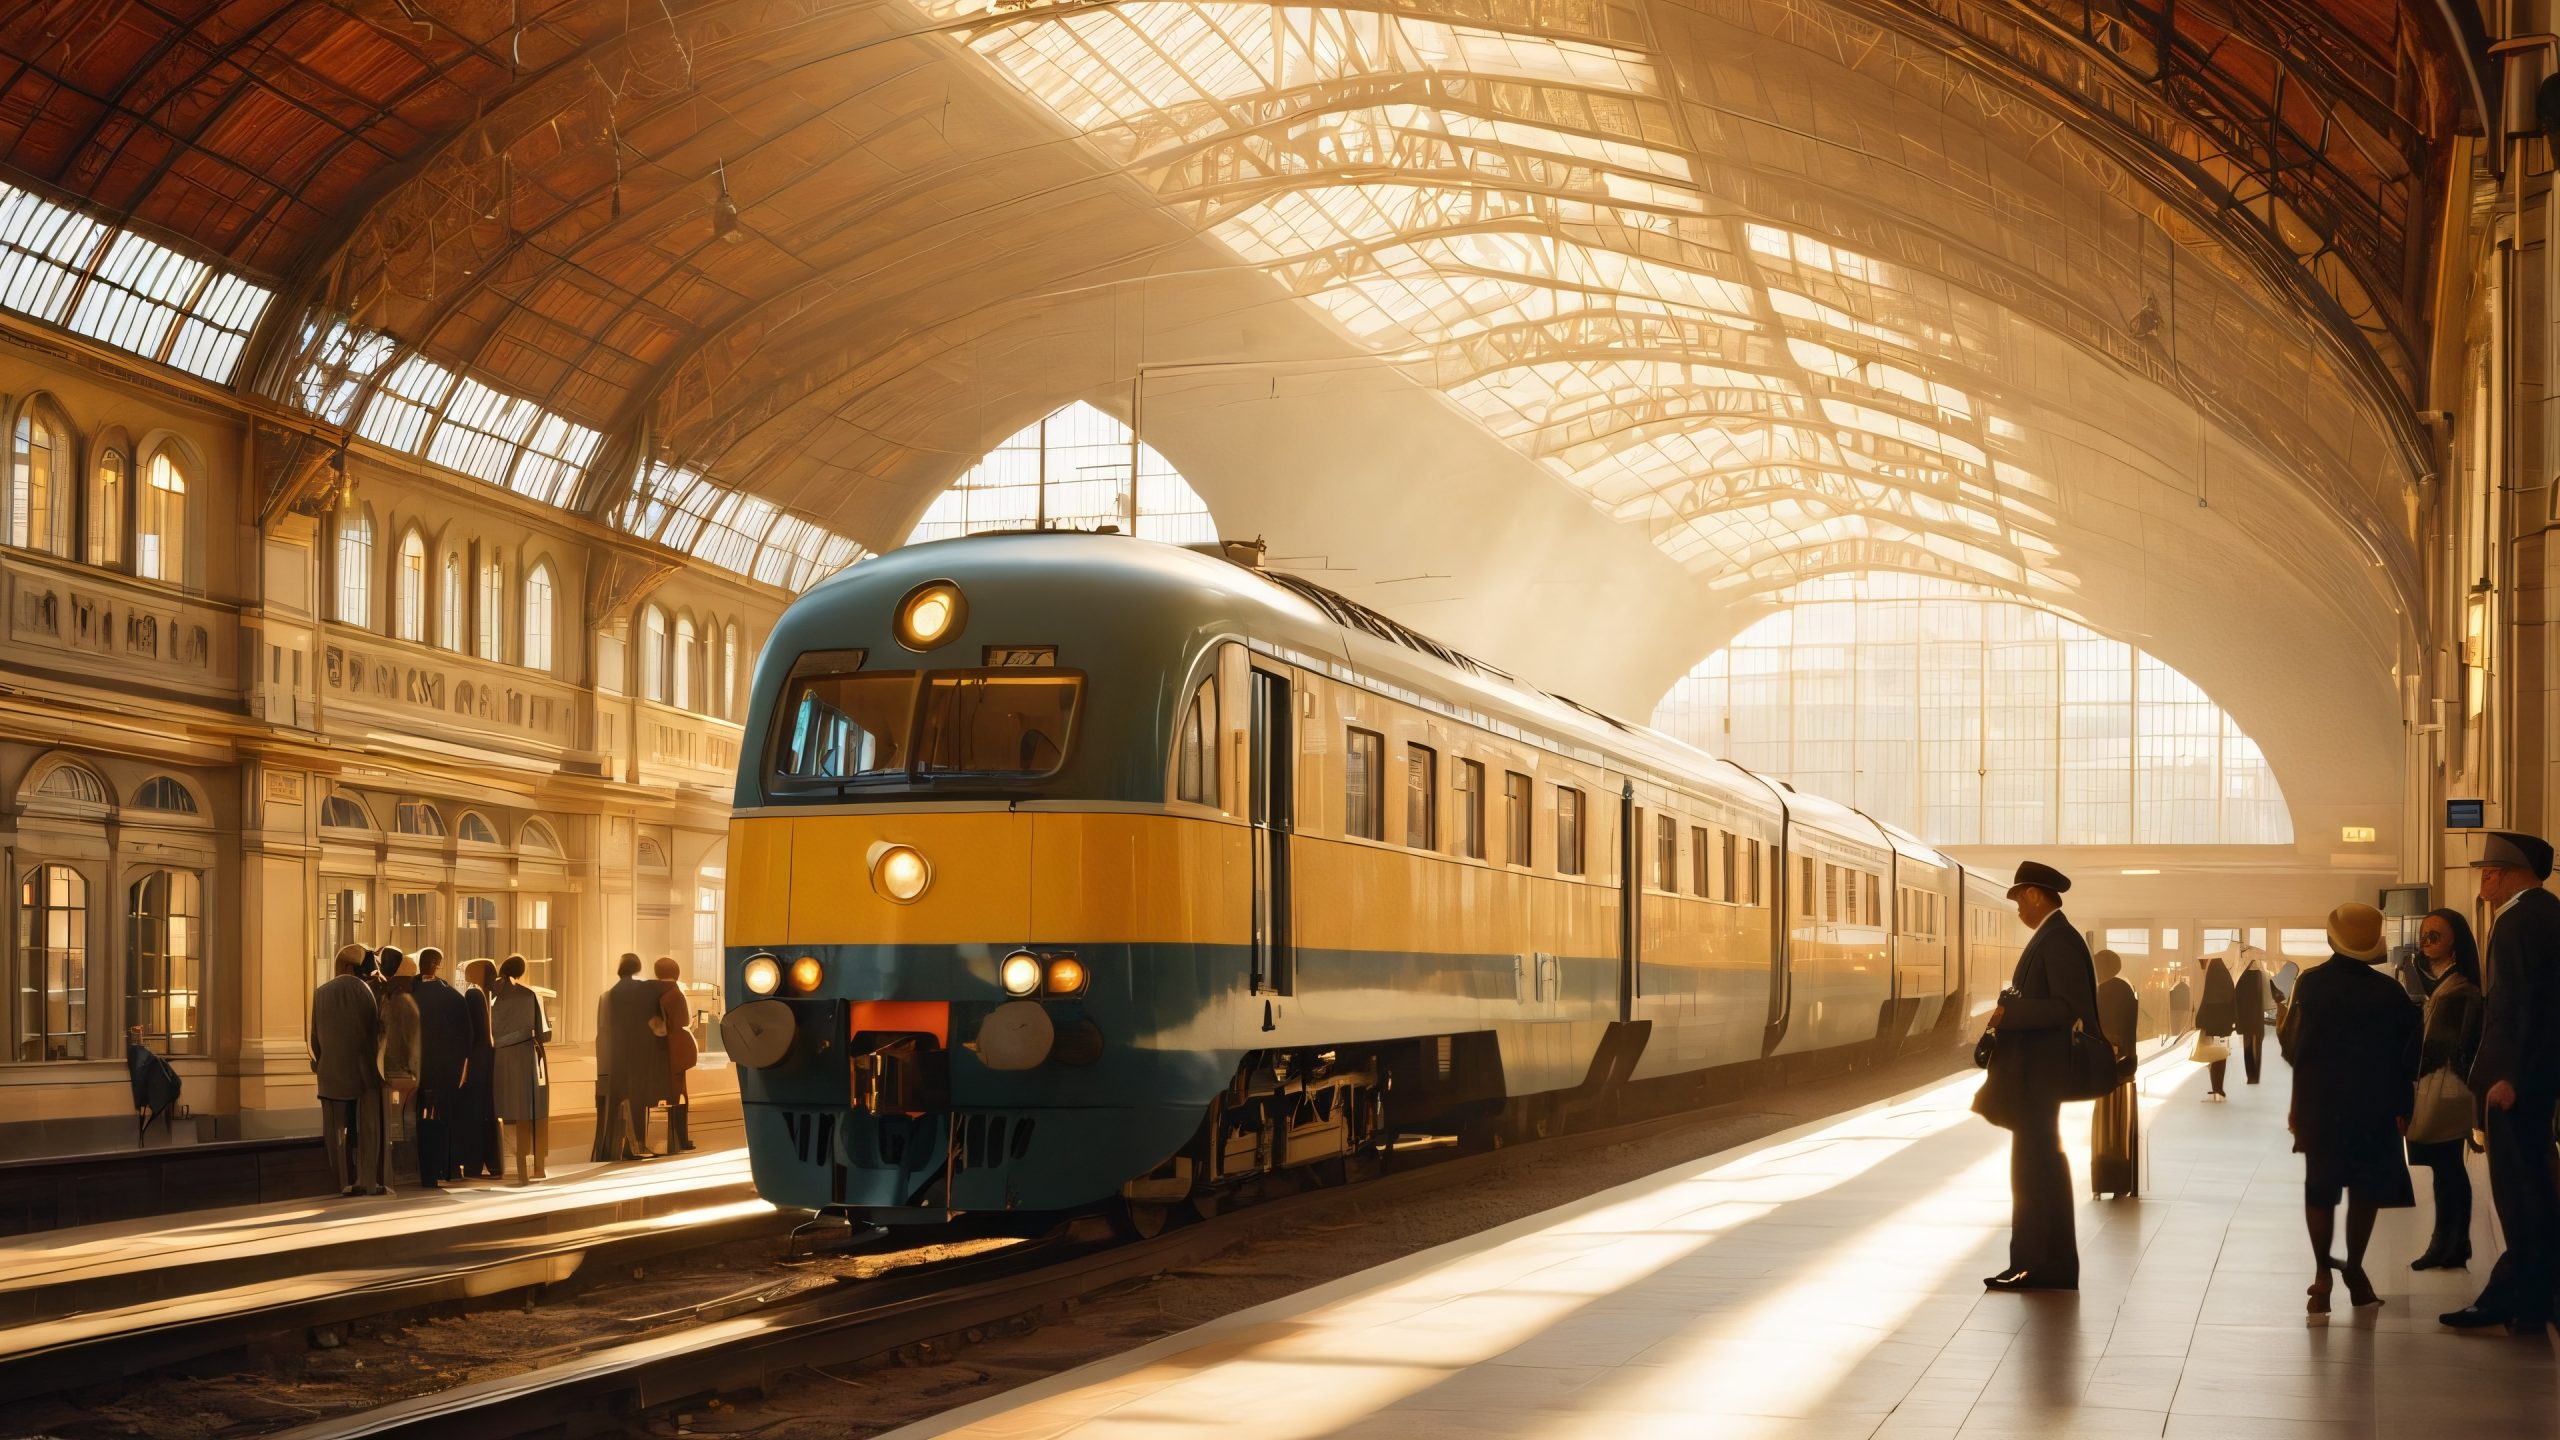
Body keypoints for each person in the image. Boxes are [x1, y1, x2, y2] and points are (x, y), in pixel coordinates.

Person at [2278, 902, 2418, 1317]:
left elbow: (2292, 1049)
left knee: (2320, 1189)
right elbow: (2408, 1056)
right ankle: (2355, 1270)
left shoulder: (2311, 985)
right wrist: (2403, 1106)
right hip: (2375, 1106)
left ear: (2330, 938)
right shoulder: (2390, 992)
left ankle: (2322, 1275)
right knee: (2364, 1190)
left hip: (2321, 1103)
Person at [2445, 831, 2560, 1334]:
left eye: (2490, 871)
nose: (2483, 879)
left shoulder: (2519, 920)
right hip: (2532, 1078)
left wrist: (2511, 1076)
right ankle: (2526, 1295)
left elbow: (2526, 1010)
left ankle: (2520, 1298)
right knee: (2532, 1191)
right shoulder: (2544, 913)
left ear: (2514, 873)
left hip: (2515, 1084)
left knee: (2520, 1196)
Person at [1980, 860, 2099, 1292]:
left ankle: (2038, 1264)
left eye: (2018, 900)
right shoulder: (2053, 936)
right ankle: (2042, 1263)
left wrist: (2011, 1012)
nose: (2017, 910)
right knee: (2036, 1168)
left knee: (2035, 1170)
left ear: (2033, 894)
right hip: (2036, 1074)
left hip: (2041, 1074)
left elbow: (2070, 1006)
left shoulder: (2058, 939)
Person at [2408, 908, 2485, 1272]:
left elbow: (2444, 1047)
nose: (2426, 941)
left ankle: (2450, 1243)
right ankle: (2452, 1243)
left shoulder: (2458, 990)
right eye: (2424, 935)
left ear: (2455, 942)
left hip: (2447, 1089)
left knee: (2448, 1168)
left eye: (2435, 935)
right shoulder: (2444, 983)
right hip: (2442, 1086)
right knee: (2446, 1169)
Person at [309, 944, 388, 1196]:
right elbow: (375, 1032)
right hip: (363, 1073)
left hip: (330, 1074)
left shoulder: (320, 993)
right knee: (368, 1129)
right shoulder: (368, 991)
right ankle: (368, 1180)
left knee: (335, 1133)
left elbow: (314, 1039)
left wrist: (324, 1060)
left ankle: (341, 1181)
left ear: (341, 965)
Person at [412, 948, 473, 1191]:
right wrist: (459, 1065)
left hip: (415, 1067)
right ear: (437, 964)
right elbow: (466, 1036)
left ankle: (425, 1171)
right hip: (445, 1068)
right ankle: (445, 1168)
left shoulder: (409, 993)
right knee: (443, 1117)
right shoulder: (452, 996)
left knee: (421, 1118)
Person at [490, 954, 552, 1185]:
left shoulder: (490, 994)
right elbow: (544, 1033)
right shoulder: (529, 994)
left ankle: (502, 1162)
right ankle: (536, 1166)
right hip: (526, 1056)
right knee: (532, 1109)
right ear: (522, 972)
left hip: (498, 1059)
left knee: (503, 1109)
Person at [604, 954, 670, 1158]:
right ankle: (638, 1145)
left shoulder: (612, 993)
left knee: (621, 1098)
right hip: (641, 1049)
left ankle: (619, 1146)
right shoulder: (645, 989)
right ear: (638, 967)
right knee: (639, 1097)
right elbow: (656, 1015)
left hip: (618, 1050)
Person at [2090, 948, 2139, 1199]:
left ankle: (2107, 1180)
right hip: (2125, 1062)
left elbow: (2107, 1029)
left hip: (2110, 1064)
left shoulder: (2108, 990)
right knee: (2122, 1123)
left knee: (2107, 1124)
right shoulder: (2124, 987)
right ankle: (2120, 1180)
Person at [378, 946, 419, 1183]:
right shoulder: (397, 1000)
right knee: (401, 1121)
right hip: (399, 1070)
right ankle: (403, 1168)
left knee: (403, 1122)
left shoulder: (397, 1002)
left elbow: (408, 1041)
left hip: (399, 1070)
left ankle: (404, 1168)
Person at [460, 959, 502, 1179]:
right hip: (489, 1059)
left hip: (475, 1061)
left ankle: (473, 1164)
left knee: (473, 1113)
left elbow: (470, 1032)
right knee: (488, 1113)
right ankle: (494, 1163)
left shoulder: (472, 995)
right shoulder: (489, 996)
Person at [654, 957, 700, 1153]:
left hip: (657, 1050)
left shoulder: (651, 992)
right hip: (676, 1051)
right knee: (679, 1095)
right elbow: (684, 1020)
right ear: (676, 972)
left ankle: (677, 1137)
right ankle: (679, 1138)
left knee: (672, 1094)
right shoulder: (675, 993)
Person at [591, 955, 634, 1163]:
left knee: (609, 1107)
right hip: (629, 1057)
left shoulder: (606, 996)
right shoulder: (638, 992)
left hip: (609, 1059)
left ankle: (607, 1148)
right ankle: (631, 1145)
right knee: (632, 1103)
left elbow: (601, 1031)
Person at [126, 1024, 181, 1144]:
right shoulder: (143, 1056)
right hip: (151, 1095)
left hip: (146, 1093)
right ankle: (142, 1133)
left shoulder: (139, 1055)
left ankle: (141, 1134)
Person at [2196, 954, 2236, 1099]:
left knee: (2217, 1054)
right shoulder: (2219, 970)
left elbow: (2208, 996)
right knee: (2217, 1054)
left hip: (2215, 1018)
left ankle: (2217, 1087)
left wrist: (2199, 1019)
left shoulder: (2214, 969)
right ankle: (2217, 1087)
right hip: (2219, 1019)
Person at [2235, 955, 2272, 1086]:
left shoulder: (2241, 978)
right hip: (2257, 1016)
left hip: (2246, 1017)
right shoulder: (2262, 976)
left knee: (2248, 1045)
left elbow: (2237, 999)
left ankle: (2251, 1076)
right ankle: (2255, 1076)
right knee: (2257, 1046)